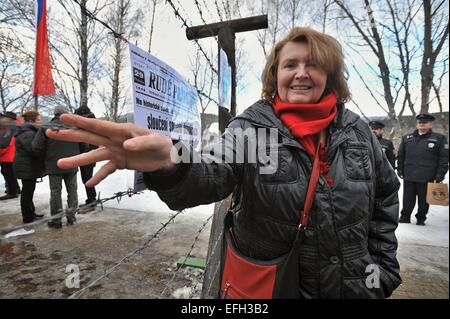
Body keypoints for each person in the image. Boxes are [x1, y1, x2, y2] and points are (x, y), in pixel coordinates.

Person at [47, 27, 401, 298]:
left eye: (314, 65)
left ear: (331, 75)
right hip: (272, 285)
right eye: (290, 64)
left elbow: (385, 193)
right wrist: (171, 161)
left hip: (352, 288)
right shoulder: (252, 129)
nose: (301, 73)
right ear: (275, 75)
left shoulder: (356, 130)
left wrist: (381, 269)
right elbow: (213, 170)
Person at [397, 114, 449, 226]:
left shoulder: (439, 139)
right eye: (420, 122)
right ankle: (405, 217)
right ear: (417, 124)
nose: (422, 124)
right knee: (407, 199)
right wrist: (400, 170)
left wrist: (440, 174)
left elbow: (444, 159)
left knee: (424, 200)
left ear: (430, 124)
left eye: (425, 122)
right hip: (409, 175)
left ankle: (421, 218)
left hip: (428, 176)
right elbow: (401, 156)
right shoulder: (407, 138)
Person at [33, 106, 80, 228]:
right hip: (72, 163)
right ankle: (72, 217)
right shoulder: (73, 127)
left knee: (55, 192)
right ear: (65, 114)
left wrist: (45, 159)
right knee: (72, 190)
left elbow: (36, 146)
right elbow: (84, 144)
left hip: (54, 165)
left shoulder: (46, 127)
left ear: (55, 114)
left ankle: (56, 220)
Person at [13, 110, 46, 223]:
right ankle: (27, 217)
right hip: (26, 166)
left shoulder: (28, 131)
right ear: (31, 120)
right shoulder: (28, 133)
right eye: (38, 119)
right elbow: (33, 150)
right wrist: (44, 154)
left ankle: (31, 212)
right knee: (27, 192)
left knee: (29, 190)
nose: (40, 121)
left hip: (28, 166)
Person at [74, 106, 98, 212]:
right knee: (88, 179)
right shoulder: (92, 124)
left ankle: (92, 201)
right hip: (89, 156)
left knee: (87, 179)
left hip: (87, 157)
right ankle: (91, 200)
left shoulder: (87, 125)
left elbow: (87, 144)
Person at [0, 111, 21, 200]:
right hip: (12, 154)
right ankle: (16, 189)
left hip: (8, 155)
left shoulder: (9, 127)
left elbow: (5, 143)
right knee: (10, 173)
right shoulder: (15, 126)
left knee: (7, 172)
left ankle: (12, 192)